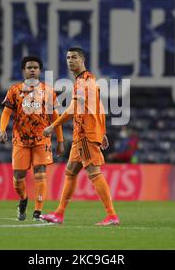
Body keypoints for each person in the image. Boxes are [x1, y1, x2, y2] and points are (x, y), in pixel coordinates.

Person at [41, 47, 120, 226]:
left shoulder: (83, 81)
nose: (70, 60)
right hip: (81, 134)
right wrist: (103, 131)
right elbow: (98, 107)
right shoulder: (88, 80)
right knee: (70, 172)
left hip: (85, 134)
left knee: (94, 173)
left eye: (74, 57)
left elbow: (74, 108)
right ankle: (59, 213)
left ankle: (112, 215)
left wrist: (53, 125)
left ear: (82, 59)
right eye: (68, 57)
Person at [0, 55, 64, 221]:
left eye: (35, 67)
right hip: (20, 140)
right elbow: (6, 112)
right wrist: (2, 129)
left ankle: (38, 212)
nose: (33, 70)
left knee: (40, 173)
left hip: (42, 140)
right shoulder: (14, 90)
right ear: (24, 70)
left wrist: (60, 140)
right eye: (29, 67)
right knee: (18, 177)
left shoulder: (48, 91)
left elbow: (55, 117)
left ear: (40, 71)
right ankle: (23, 199)